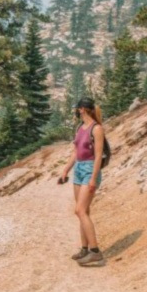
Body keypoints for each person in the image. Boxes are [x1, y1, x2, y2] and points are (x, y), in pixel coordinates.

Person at [58, 98, 106, 268]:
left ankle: (96, 253)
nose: (76, 111)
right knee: (84, 210)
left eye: (77, 109)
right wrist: (66, 170)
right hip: (78, 169)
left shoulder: (97, 129)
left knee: (79, 210)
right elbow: (76, 152)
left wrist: (93, 178)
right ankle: (85, 249)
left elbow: (99, 155)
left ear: (82, 109)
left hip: (90, 169)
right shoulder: (80, 128)